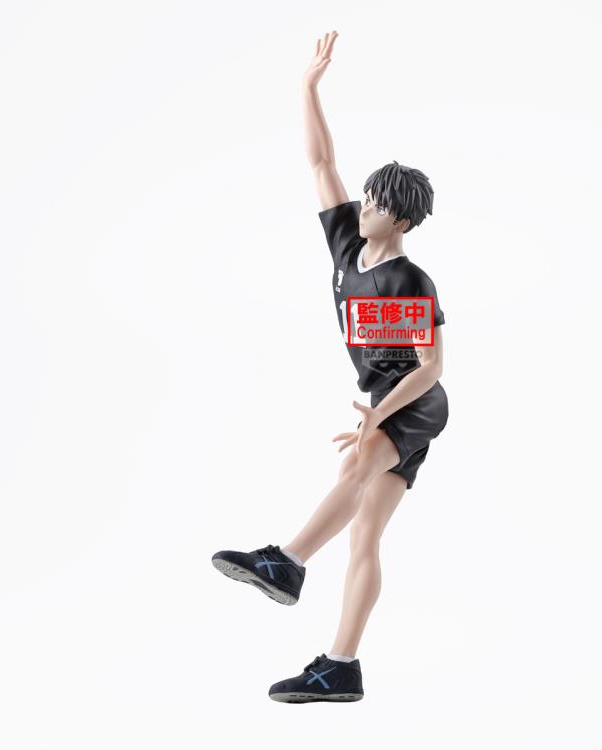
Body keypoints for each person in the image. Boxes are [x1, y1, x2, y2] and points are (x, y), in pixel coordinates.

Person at [211, 30, 449, 703]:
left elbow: (430, 368)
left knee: (356, 466)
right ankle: (341, 666)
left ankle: (286, 563)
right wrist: (308, 88)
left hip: (414, 403)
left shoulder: (409, 280)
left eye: (379, 204)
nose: (365, 207)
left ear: (402, 219)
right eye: (367, 198)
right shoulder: (348, 245)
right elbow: (321, 161)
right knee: (364, 536)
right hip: (381, 400)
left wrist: (379, 413)